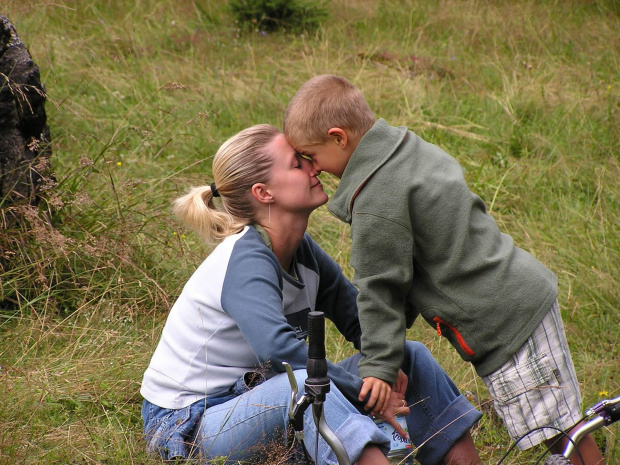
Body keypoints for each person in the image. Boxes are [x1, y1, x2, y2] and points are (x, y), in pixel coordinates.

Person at [282, 75, 604, 465]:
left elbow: (381, 290)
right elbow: (413, 269)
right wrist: (390, 349)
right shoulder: (406, 150)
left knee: (556, 429)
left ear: (339, 137)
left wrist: (379, 369)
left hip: (503, 322)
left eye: (311, 157)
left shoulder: (375, 201)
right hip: (518, 296)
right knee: (558, 423)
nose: (312, 169)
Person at [140, 124, 483, 465]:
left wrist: (384, 367)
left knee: (409, 356)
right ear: (264, 193)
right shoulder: (245, 259)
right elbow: (278, 351)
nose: (312, 166)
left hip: (263, 396)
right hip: (192, 422)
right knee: (308, 385)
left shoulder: (301, 251)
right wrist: (367, 397)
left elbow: (359, 321)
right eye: (296, 163)